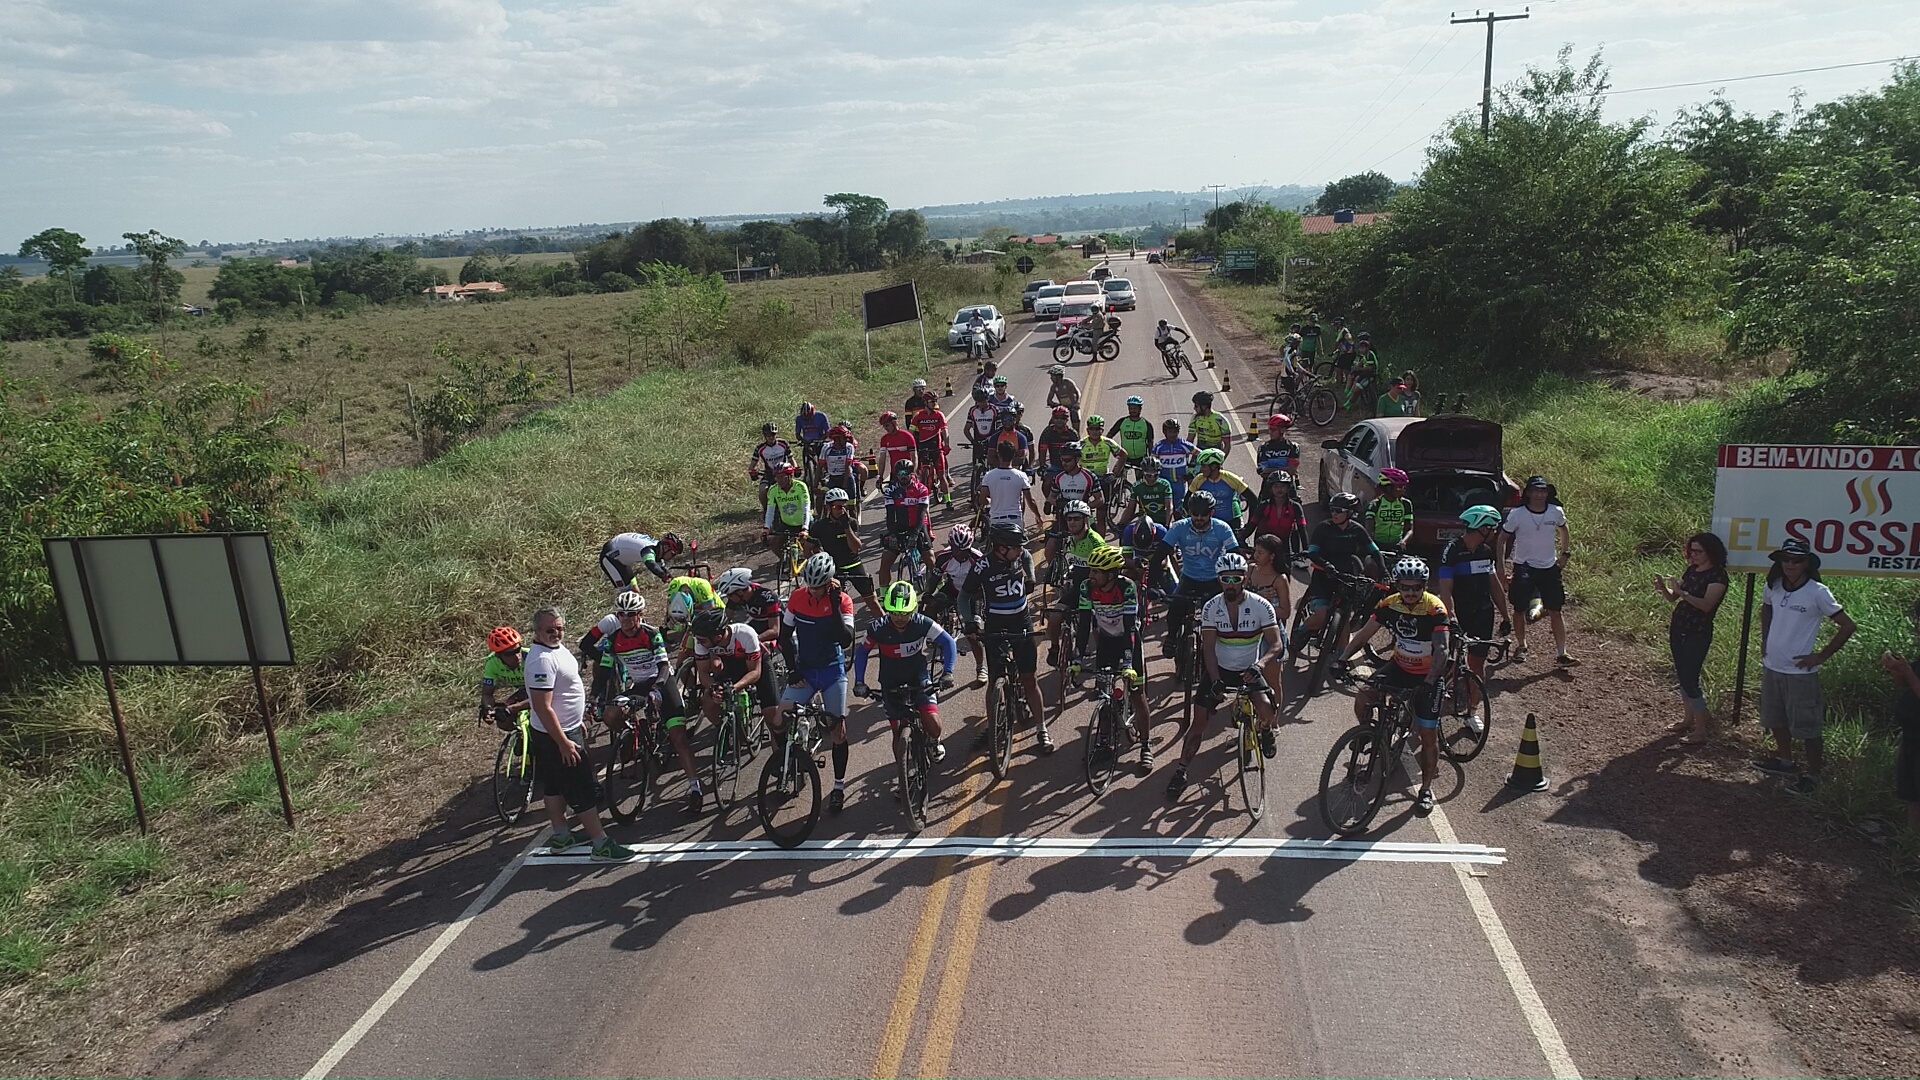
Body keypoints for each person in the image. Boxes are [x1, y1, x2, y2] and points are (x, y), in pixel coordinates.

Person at [1339, 557, 1451, 818]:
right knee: (1363, 696)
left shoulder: (1434, 608)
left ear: (1424, 586)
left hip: (1427, 674)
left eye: (1416, 587)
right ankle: (1371, 733)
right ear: (1398, 586)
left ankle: (1425, 789)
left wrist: (1429, 682)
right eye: (1405, 587)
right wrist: (1342, 659)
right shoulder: (1390, 603)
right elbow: (1365, 632)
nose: (1411, 593)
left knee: (1427, 735)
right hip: (1400, 666)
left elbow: (1442, 650)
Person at [1167, 551, 1283, 801]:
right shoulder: (1211, 607)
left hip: (1250, 670)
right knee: (1198, 723)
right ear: (1218, 580)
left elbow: (1276, 645)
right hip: (1219, 670)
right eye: (1225, 579)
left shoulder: (1261, 606)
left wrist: (1260, 665)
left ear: (1244, 579)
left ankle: (1265, 731)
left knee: (1266, 709)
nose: (1230, 584)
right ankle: (1181, 771)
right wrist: (1215, 679)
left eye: (1235, 578)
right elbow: (1208, 648)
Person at [523, 607, 634, 860]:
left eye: (559, 628)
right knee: (582, 788)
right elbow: (542, 706)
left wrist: (576, 720)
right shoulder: (541, 660)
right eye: (549, 630)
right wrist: (563, 741)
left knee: (554, 787)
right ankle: (601, 844)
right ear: (537, 631)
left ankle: (562, 837)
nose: (556, 633)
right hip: (558, 736)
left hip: (564, 729)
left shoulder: (554, 650)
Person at [582, 591, 704, 814]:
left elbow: (665, 667)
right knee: (610, 714)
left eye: (631, 614)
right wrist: (592, 699)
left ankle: (694, 786)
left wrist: (657, 689)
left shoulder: (651, 635)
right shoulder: (613, 640)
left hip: (661, 683)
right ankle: (631, 733)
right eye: (622, 615)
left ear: (640, 615)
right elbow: (604, 673)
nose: (626, 619)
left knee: (678, 738)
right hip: (639, 686)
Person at [1752, 539, 1857, 795]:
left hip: (1800, 673)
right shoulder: (1774, 585)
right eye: (1785, 559)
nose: (1790, 564)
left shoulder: (1817, 592)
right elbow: (1765, 609)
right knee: (1775, 718)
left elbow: (1847, 625)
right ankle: (1785, 761)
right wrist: (1765, 639)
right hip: (1772, 666)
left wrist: (1821, 656)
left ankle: (1813, 775)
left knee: (1808, 727)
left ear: (1806, 564)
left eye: (1796, 560)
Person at [964, 522, 1053, 754]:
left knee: (1029, 679)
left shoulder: (1017, 553)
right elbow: (964, 597)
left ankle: (1041, 728)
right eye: (1015, 547)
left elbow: (1026, 558)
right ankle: (993, 727)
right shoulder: (982, 566)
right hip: (996, 624)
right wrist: (970, 621)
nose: (1020, 550)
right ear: (1001, 548)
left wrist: (1031, 576)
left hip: (1021, 621)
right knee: (994, 681)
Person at [780, 553, 860, 811]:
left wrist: (835, 605)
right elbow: (784, 637)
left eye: (819, 587)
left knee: (837, 731)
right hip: (805, 670)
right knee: (780, 717)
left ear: (830, 583)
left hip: (832, 672)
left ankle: (838, 786)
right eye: (810, 586)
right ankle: (785, 764)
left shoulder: (844, 601)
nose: (814, 592)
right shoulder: (797, 598)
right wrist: (793, 671)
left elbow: (845, 639)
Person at [854, 581, 958, 771]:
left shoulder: (922, 623)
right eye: (895, 613)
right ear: (888, 610)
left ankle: (934, 741)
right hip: (890, 682)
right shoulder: (878, 628)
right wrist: (859, 682)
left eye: (905, 614)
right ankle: (904, 771)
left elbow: (948, 642)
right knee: (897, 732)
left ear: (914, 610)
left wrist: (948, 673)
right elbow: (862, 653)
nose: (900, 619)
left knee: (933, 725)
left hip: (918, 679)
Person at [1071, 544, 1154, 774]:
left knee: (1137, 694)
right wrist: (1077, 658)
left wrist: (1128, 663)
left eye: (1096, 572)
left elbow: (1129, 628)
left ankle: (1146, 745)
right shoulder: (1087, 587)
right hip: (1106, 642)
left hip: (1129, 642)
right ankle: (1104, 743)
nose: (1091, 575)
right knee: (1105, 693)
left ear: (1110, 574)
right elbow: (1085, 623)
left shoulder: (1126, 588)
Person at [1434, 505, 1511, 719]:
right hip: (1460, 614)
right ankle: (1431, 696)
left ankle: (1472, 712)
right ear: (1481, 528)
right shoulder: (1453, 551)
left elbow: (1494, 585)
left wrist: (1505, 616)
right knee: (1444, 661)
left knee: (1477, 664)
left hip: (1483, 614)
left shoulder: (1486, 552)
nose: (1495, 532)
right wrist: (1451, 616)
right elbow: (1445, 588)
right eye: (1492, 527)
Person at [691, 605, 784, 779]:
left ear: (717, 635)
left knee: (773, 717)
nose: (699, 642)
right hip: (731, 665)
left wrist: (733, 689)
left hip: (757, 666)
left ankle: (781, 760)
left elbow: (755, 673)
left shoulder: (745, 634)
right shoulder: (703, 640)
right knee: (707, 701)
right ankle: (724, 730)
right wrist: (714, 689)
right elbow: (703, 673)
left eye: (703, 639)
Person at [1655, 531, 1729, 746]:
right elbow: (1673, 598)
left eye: (1698, 552)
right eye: (1691, 551)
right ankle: (1687, 720)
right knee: (1682, 675)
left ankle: (1701, 729)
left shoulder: (1718, 577)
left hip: (1698, 632)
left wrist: (1683, 593)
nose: (1693, 556)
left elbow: (1706, 605)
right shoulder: (1692, 570)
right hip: (1679, 628)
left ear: (1711, 552)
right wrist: (1665, 589)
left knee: (1690, 679)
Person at [1290, 491, 1382, 655]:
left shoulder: (1357, 529)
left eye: (1339, 511)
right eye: (1332, 510)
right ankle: (1302, 630)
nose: (1334, 514)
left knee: (1344, 618)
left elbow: (1374, 551)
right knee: (1322, 616)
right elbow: (1313, 553)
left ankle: (1341, 656)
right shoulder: (1323, 528)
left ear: (1350, 513)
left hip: (1345, 577)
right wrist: (1326, 566)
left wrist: (1384, 571)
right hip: (1322, 575)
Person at [1499, 476, 1575, 665]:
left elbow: (1564, 529)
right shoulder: (1518, 514)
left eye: (1543, 491)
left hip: (1549, 567)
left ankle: (1562, 653)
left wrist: (1565, 554)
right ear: (1529, 493)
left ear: (1547, 493)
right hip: (1524, 566)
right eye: (1536, 491)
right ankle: (1521, 646)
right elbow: (1502, 539)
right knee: (1519, 608)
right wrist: (1501, 569)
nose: (1539, 495)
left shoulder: (1555, 511)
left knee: (1555, 610)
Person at [1156, 491, 1240, 660]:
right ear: (1189, 513)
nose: (1199, 518)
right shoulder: (1179, 527)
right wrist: (1151, 584)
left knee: (1224, 614)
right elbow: (1159, 555)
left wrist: (1237, 584)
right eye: (1195, 514)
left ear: (1212, 513)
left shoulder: (1222, 528)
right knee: (1175, 608)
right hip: (1189, 577)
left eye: (1204, 515)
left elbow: (1235, 557)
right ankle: (1172, 637)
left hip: (1214, 579)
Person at [1044, 499, 1107, 667]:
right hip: (1077, 587)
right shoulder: (1070, 539)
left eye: (1076, 519)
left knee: (1098, 630)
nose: (1072, 522)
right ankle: (1055, 648)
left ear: (1086, 519)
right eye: (1069, 519)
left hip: (1096, 589)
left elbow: (1105, 573)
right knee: (1055, 617)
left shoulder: (1096, 542)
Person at [927, 524, 988, 684]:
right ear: (951, 546)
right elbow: (934, 579)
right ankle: (932, 633)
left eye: (964, 550)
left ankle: (981, 667)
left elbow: (985, 586)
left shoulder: (978, 558)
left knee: (972, 632)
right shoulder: (944, 557)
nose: (960, 554)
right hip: (953, 588)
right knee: (930, 605)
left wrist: (978, 613)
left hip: (973, 593)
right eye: (956, 550)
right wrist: (927, 595)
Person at [1878, 599, 1920, 830]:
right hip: (1911, 732)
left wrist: (1906, 671)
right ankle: (1910, 840)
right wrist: (1897, 671)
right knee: (1911, 792)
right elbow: (1906, 686)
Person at [807, 488, 877, 613]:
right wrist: (818, 558)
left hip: (853, 564)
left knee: (872, 600)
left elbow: (856, 547)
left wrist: (846, 527)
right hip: (833, 568)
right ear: (829, 507)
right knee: (828, 603)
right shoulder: (819, 527)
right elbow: (808, 551)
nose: (842, 510)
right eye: (837, 507)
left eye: (844, 506)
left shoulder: (851, 523)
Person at [877, 458, 932, 588]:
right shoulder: (891, 491)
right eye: (900, 474)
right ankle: (884, 595)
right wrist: (893, 534)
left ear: (911, 474)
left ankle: (940, 588)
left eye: (906, 473)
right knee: (885, 561)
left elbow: (921, 513)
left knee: (930, 559)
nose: (903, 477)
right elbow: (890, 516)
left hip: (918, 525)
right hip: (900, 526)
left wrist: (915, 534)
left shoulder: (921, 489)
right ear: (896, 475)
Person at [1245, 470, 1307, 560]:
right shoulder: (1264, 505)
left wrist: (1306, 549)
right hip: (1264, 545)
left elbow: (1302, 529)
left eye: (1283, 486)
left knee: (1286, 571)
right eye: (1276, 486)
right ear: (1271, 489)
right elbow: (1252, 525)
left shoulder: (1295, 507)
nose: (1279, 489)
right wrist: (1241, 539)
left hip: (1284, 545)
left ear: (1288, 488)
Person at [979, 441, 1041, 529]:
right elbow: (1030, 501)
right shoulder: (1021, 476)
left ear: (998, 455)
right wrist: (1038, 516)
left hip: (996, 521)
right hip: (1015, 521)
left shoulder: (989, 475)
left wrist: (989, 500)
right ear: (1014, 456)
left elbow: (982, 500)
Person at [713, 567, 782, 643]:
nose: (728, 598)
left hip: (779, 623)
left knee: (786, 645)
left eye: (729, 595)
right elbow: (726, 618)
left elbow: (775, 631)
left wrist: (753, 640)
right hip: (759, 621)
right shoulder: (736, 596)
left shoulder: (768, 597)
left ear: (740, 592)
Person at [478, 626, 528, 728]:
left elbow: (543, 696)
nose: (517, 656)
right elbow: (487, 694)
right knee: (503, 722)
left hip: (546, 690)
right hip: (525, 691)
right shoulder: (492, 663)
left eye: (518, 650)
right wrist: (488, 709)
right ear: (498, 656)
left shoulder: (532, 657)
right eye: (509, 654)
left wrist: (512, 708)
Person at [1188, 448, 1249, 534]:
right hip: (1208, 524)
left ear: (1214, 466)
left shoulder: (1230, 478)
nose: (1201, 469)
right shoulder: (1199, 479)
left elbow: (1253, 500)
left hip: (1232, 522)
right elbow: (1187, 501)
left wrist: (1249, 527)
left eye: (1204, 466)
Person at [762, 461, 811, 559]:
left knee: (809, 550)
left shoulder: (801, 487)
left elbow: (806, 508)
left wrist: (805, 528)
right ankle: (786, 561)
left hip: (803, 523)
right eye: (777, 477)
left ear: (790, 476)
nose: (779, 480)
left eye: (782, 477)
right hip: (787, 524)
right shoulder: (773, 490)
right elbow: (770, 510)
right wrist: (767, 527)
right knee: (774, 545)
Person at [908, 396, 951, 504]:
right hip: (923, 448)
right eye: (932, 401)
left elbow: (945, 431)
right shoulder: (918, 416)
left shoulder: (939, 415)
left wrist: (947, 444)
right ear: (926, 403)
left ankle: (948, 500)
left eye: (935, 401)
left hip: (937, 448)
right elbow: (911, 433)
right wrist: (909, 445)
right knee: (921, 473)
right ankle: (922, 499)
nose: (935, 403)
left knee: (941, 476)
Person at [598, 531, 679, 588]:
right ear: (665, 547)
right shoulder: (648, 549)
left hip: (620, 558)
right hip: (610, 558)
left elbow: (663, 569)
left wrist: (674, 582)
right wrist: (663, 576)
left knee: (634, 590)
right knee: (627, 593)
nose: (673, 557)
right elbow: (651, 564)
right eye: (673, 554)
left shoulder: (657, 548)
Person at [1365, 469, 1414, 554]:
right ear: (1388, 488)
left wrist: (1404, 541)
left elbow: (1409, 529)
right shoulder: (1375, 504)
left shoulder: (1406, 504)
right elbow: (1369, 529)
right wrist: (1372, 546)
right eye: (1399, 487)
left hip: (1397, 545)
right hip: (1378, 544)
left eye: (1404, 487)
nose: (1403, 490)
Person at [1048, 442, 1099, 521]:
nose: (1064, 463)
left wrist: (1083, 507)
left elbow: (1100, 499)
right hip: (1064, 516)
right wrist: (1058, 504)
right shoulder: (1058, 477)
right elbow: (1051, 497)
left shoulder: (1090, 476)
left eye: (1067, 460)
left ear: (1077, 459)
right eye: (1062, 460)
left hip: (1083, 517)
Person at [751, 424, 795, 514]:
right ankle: (766, 510)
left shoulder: (783, 444)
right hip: (769, 474)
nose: (771, 437)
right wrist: (753, 472)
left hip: (784, 473)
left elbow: (791, 459)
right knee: (763, 490)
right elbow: (752, 466)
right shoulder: (760, 448)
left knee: (791, 489)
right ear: (765, 436)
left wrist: (795, 468)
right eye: (768, 435)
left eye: (773, 435)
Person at [1245, 532, 1293, 616]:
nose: (1256, 556)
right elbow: (1237, 597)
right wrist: (1258, 597)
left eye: (1260, 553)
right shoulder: (1250, 568)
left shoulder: (1280, 580)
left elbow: (1285, 613)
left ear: (1272, 556)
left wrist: (1260, 605)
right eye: (1255, 551)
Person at [819, 424, 866, 503]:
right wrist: (815, 485)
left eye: (847, 437)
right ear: (836, 439)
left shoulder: (849, 447)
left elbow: (847, 467)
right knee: (820, 497)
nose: (846, 440)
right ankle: (817, 515)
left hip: (847, 478)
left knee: (850, 505)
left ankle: (853, 512)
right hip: (833, 479)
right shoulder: (826, 447)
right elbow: (819, 466)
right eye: (844, 438)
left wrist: (844, 486)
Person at [963, 387, 1000, 474]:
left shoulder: (994, 409)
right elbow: (966, 429)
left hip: (991, 441)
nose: (982, 403)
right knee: (976, 468)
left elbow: (999, 427)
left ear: (987, 398)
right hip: (978, 442)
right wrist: (972, 440)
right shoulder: (972, 410)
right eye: (979, 401)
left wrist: (994, 438)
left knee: (995, 466)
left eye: (984, 400)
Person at [1151, 418, 1198, 488]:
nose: (1172, 434)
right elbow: (1151, 465)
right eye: (1170, 431)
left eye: (1175, 432)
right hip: (1164, 485)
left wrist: (1192, 471)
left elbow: (1203, 456)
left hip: (1180, 484)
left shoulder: (1184, 445)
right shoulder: (1158, 447)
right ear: (1165, 432)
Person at [876, 411, 919, 482]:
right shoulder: (884, 439)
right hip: (895, 474)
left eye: (887, 425)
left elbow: (914, 457)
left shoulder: (907, 436)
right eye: (884, 426)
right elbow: (882, 459)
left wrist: (913, 473)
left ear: (894, 423)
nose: (885, 428)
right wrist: (880, 477)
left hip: (908, 473)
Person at [1114, 396, 1155, 469]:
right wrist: (1116, 451)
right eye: (1130, 408)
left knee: (1141, 479)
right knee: (1117, 477)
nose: (1132, 410)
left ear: (1140, 409)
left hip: (1141, 458)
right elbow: (1109, 437)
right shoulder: (1122, 422)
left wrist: (1151, 457)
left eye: (1135, 408)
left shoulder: (1146, 424)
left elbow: (1150, 442)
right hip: (1125, 457)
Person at [1188, 390, 1233, 458]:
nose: (1194, 408)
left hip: (1216, 453)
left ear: (1204, 406)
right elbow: (1189, 441)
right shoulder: (1195, 418)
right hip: (1200, 452)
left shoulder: (1220, 420)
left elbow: (1227, 445)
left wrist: (1220, 461)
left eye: (1196, 406)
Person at [795, 401, 832, 477]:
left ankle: (826, 473)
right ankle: (807, 473)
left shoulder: (821, 416)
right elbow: (798, 433)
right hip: (807, 442)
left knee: (823, 457)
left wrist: (821, 439)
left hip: (819, 441)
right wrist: (802, 440)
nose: (807, 419)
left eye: (809, 417)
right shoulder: (799, 419)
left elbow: (828, 431)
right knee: (805, 456)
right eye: (805, 418)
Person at [1046, 365, 1082, 430]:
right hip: (1063, 407)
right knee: (1051, 424)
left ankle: (1077, 437)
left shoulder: (1068, 382)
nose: (1051, 378)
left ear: (1058, 376)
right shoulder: (1053, 387)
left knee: (1075, 417)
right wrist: (1055, 405)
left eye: (1052, 376)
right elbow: (1049, 399)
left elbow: (1078, 393)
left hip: (1073, 406)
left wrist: (1076, 403)